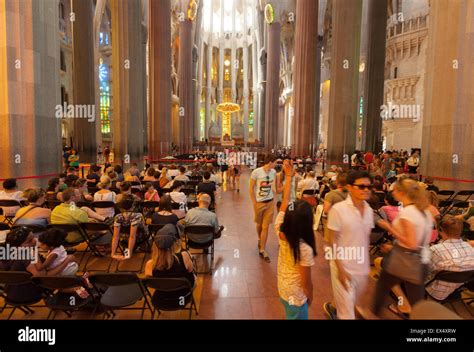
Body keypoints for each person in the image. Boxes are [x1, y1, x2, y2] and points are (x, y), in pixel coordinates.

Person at [372, 178, 433, 317]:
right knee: (416, 301)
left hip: (404, 260)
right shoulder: (425, 212)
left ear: (400, 192)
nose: (392, 193)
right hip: (422, 260)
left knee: (382, 286)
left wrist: (389, 227)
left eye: (394, 191)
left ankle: (373, 314)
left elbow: (411, 243)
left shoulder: (407, 213)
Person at [324, 170, 374, 319]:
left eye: (369, 187)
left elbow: (365, 239)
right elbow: (331, 240)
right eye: (361, 186)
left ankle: (332, 307)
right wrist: (339, 268)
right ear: (350, 187)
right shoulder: (338, 210)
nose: (366, 190)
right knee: (347, 314)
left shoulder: (370, 211)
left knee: (350, 303)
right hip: (343, 266)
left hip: (362, 268)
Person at [275, 160, 316, 319]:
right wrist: (310, 295)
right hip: (297, 296)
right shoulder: (304, 247)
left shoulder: (280, 230)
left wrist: (289, 177)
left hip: (283, 287)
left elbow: (285, 202)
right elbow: (306, 281)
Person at [0, 227, 76, 305]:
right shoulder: (27, 257)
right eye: (29, 241)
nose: (35, 241)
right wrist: (66, 261)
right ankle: (76, 296)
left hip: (11, 292)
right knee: (68, 277)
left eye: (33, 237)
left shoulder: (6, 252)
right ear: (19, 246)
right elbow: (45, 277)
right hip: (28, 294)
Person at [144, 224, 195, 307]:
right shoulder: (184, 256)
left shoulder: (150, 265)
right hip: (183, 296)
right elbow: (190, 270)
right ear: (174, 244)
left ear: (155, 246)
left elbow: (150, 282)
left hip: (162, 298)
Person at [426, 216, 474, 300]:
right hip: (455, 288)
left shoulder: (435, 250)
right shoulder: (469, 247)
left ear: (441, 230)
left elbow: (426, 271)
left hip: (434, 290)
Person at [249, 154, 277, 263]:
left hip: (270, 202)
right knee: (259, 225)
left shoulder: (273, 172)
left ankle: (262, 249)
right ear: (270, 162)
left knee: (266, 226)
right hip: (259, 203)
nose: (276, 164)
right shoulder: (256, 172)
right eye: (275, 162)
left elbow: (273, 186)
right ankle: (259, 238)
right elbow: (251, 188)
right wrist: (254, 202)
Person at [111, 195, 148, 260]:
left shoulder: (118, 217)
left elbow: (115, 236)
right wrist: (129, 255)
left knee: (125, 240)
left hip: (125, 241)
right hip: (139, 240)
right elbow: (132, 236)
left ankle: (128, 252)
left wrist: (113, 254)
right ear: (133, 205)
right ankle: (137, 249)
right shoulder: (138, 216)